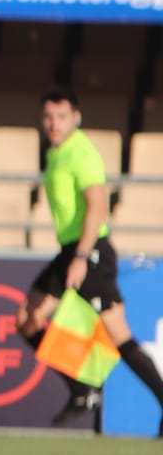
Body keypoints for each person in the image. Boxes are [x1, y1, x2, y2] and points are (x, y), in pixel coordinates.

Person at [16, 86, 163, 433]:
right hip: (70, 250)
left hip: (91, 250)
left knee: (118, 334)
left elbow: (97, 207)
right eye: (48, 117)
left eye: (61, 117)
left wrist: (82, 256)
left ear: (77, 118)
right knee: (27, 319)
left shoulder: (82, 153)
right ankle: (82, 391)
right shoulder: (56, 152)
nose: (54, 123)